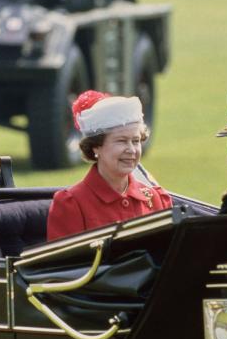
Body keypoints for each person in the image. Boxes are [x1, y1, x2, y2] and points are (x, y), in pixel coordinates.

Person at [46, 91, 173, 241]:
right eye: (121, 141)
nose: (131, 150)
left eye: (136, 141)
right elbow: (64, 263)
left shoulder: (155, 198)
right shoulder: (72, 204)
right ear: (96, 147)